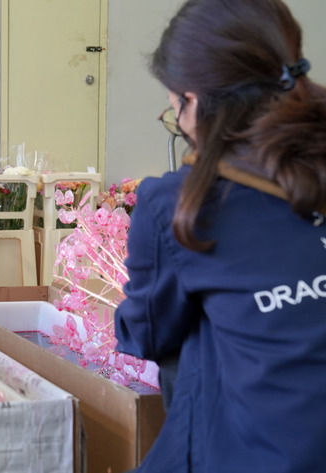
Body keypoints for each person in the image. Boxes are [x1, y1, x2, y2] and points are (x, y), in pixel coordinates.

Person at [114, 0, 326, 471]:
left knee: (191, 341)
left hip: (261, 456)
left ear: (193, 102)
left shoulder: (179, 202)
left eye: (175, 108)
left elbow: (147, 334)